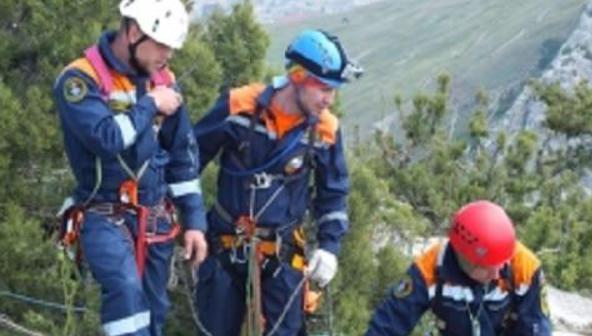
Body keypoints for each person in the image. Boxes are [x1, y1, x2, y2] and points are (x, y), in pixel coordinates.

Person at [193, 29, 363, 335]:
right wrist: (185, 218)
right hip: (224, 247)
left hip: (282, 256)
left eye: (333, 90)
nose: (329, 99)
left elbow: (333, 194)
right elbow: (189, 160)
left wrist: (329, 247)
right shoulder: (239, 106)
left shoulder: (325, 131)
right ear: (297, 76)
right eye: (323, 87)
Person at [52, 1, 207, 335]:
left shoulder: (162, 80)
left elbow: (181, 154)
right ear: (134, 31)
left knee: (153, 312)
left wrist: (194, 221)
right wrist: (150, 104)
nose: (168, 55)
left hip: (153, 216)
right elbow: (105, 138)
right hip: (102, 214)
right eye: (162, 44)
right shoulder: (80, 80)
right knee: (124, 293)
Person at [366, 200, 552, 336]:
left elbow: (536, 328)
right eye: (487, 268)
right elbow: (388, 325)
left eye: (502, 264)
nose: (497, 273)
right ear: (464, 258)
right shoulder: (430, 270)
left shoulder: (524, 268)